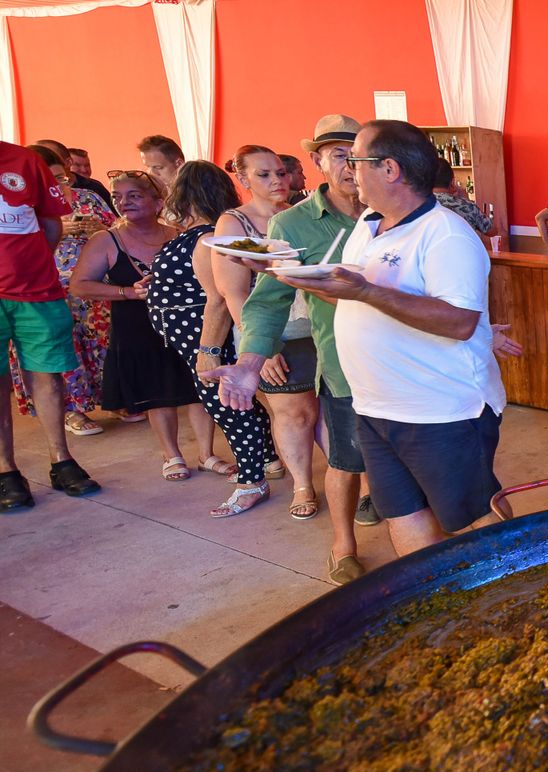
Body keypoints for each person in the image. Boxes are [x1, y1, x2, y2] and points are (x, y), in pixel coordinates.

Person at [214, 120, 507, 557]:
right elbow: (355, 298)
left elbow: (460, 321)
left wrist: (365, 290)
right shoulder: (370, 224)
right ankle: (431, 598)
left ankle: (515, 590)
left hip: (438, 408)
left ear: (389, 169)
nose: (350, 168)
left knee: (472, 518)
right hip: (372, 404)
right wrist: (285, 276)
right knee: (403, 512)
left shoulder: (444, 233)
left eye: (357, 159)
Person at [204, 114, 379, 583]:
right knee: (344, 459)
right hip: (344, 367)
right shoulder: (293, 224)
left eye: (357, 154)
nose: (350, 165)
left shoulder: (391, 212)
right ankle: (342, 544)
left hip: (403, 368)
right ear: (318, 162)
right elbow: (267, 301)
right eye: (338, 155)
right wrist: (249, 361)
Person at [70, 171, 227, 483]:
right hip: (136, 328)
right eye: (117, 197)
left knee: (198, 388)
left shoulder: (178, 234)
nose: (123, 202)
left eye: (134, 196)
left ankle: (206, 453)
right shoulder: (106, 240)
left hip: (184, 323)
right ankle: (172, 454)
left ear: (158, 202)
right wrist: (127, 292)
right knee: (156, 392)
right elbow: (79, 285)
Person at [145, 161, 283, 517]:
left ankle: (251, 481)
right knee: (238, 406)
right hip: (195, 337)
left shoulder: (211, 236)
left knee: (230, 407)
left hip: (208, 338)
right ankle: (268, 460)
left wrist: (207, 351)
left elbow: (219, 297)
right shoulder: (204, 234)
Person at [213, 145, 316, 515]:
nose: (276, 180)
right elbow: (233, 292)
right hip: (272, 332)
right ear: (243, 180)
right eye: (264, 174)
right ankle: (303, 487)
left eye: (281, 172)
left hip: (314, 325)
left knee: (326, 412)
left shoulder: (297, 214)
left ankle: (353, 483)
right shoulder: (234, 224)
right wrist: (263, 346)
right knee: (292, 413)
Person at [0, 139, 100, 509]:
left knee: (47, 376)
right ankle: (6, 471)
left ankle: (62, 461)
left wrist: (29, 265)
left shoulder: (24, 160)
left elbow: (50, 225)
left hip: (35, 291)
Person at [7, 145, 117, 436]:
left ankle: (112, 398)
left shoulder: (89, 198)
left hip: (95, 286)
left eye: (61, 177)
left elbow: (118, 226)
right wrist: (58, 230)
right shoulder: (20, 203)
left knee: (102, 344)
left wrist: (98, 228)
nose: (57, 185)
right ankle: (71, 410)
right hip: (43, 288)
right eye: (49, 178)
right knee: (64, 350)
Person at [432, 158, 493, 236]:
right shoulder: (466, 206)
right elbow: (492, 231)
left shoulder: (419, 206)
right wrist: (467, 200)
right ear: (452, 183)